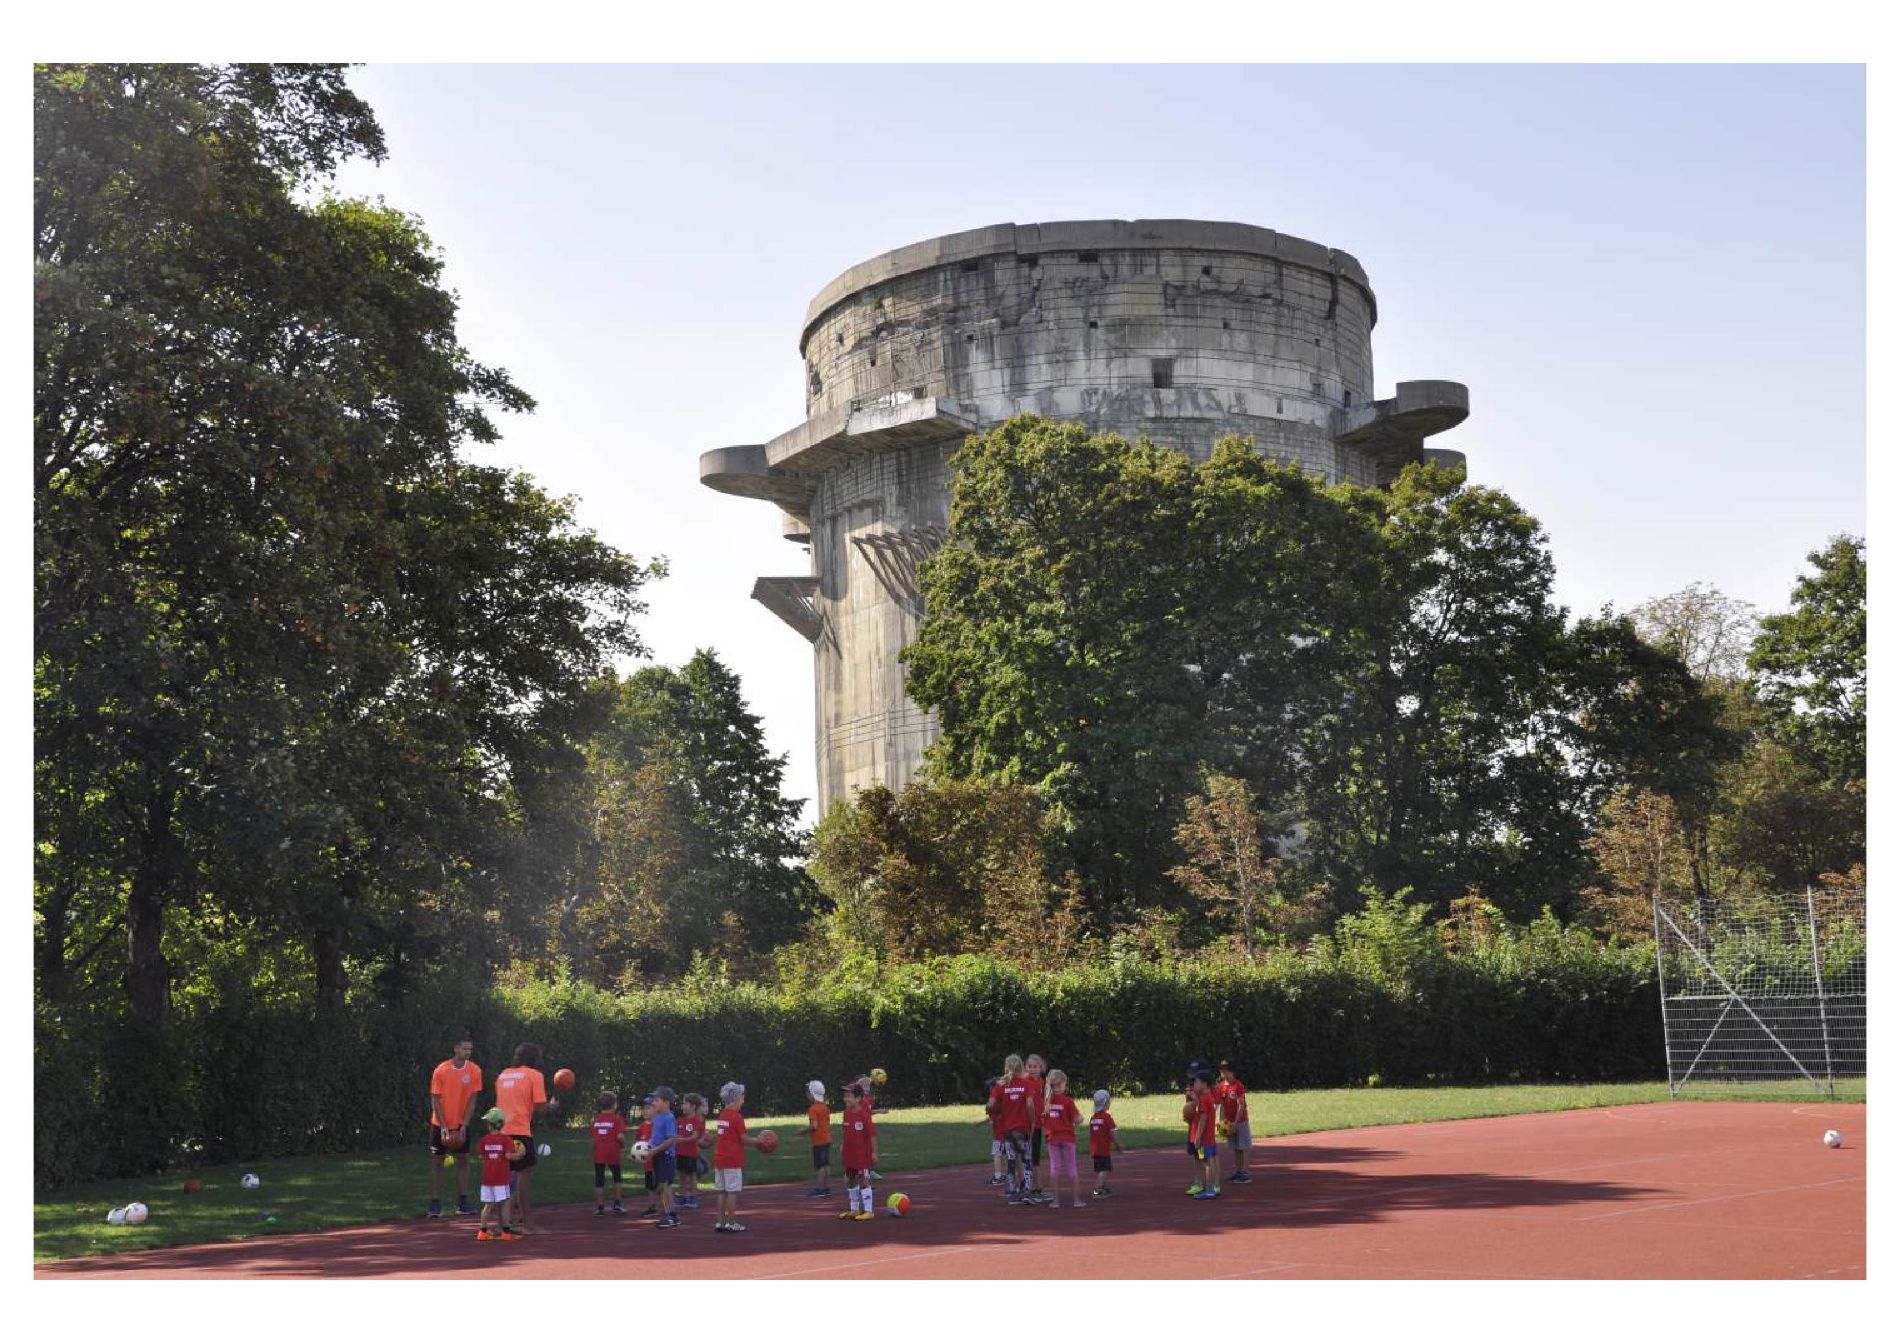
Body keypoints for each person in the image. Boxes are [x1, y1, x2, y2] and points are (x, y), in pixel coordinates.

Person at [494, 1042, 556, 1233]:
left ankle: (501, 1223)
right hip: (520, 1131)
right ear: (535, 1059)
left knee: (504, 1179)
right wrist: (551, 1105)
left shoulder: (503, 1074)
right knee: (524, 1178)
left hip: (500, 1131)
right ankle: (528, 1224)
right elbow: (540, 1106)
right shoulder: (534, 1076)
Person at [427, 1031, 483, 1217]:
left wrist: (464, 1125)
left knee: (464, 1160)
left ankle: (463, 1202)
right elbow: (435, 1100)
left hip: (461, 1124)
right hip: (440, 1123)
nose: (468, 1052)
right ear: (456, 1048)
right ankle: (435, 1204)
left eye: (470, 1049)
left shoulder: (474, 1070)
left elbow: (472, 1100)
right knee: (437, 1162)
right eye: (465, 1048)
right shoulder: (441, 1070)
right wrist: (443, 1126)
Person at [711, 1080, 769, 1233]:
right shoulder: (737, 1117)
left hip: (720, 1159)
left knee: (722, 1192)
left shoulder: (723, 1115)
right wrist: (758, 1141)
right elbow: (744, 1139)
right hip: (732, 1160)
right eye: (742, 1096)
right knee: (732, 1192)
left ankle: (720, 1222)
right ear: (737, 1098)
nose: (744, 1098)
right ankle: (731, 1222)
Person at [987, 1055, 1034, 1205]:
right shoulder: (1026, 1084)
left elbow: (990, 1105)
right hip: (1022, 1128)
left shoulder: (1000, 1086)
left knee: (1011, 1161)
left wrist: (993, 1110)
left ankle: (1013, 1192)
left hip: (1007, 1130)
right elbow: (1030, 1105)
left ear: (1006, 1068)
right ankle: (1027, 1192)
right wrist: (1031, 1122)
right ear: (1021, 1068)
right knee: (1026, 1160)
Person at [472, 1107, 519, 1241]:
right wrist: (520, 1154)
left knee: (488, 1205)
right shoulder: (506, 1140)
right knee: (504, 1203)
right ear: (501, 1124)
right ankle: (506, 1232)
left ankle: (482, 1231)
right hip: (501, 1178)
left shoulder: (484, 1140)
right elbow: (509, 1156)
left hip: (487, 1178)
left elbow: (481, 1156)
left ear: (491, 1125)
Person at [1040, 1068, 1084, 1208]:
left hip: (1052, 1138)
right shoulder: (1068, 1101)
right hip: (1068, 1138)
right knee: (1072, 1168)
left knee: (1055, 1168)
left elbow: (1042, 1121)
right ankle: (1076, 1200)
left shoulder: (1045, 1103)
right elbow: (1077, 1119)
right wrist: (1079, 1119)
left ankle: (1055, 1201)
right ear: (1065, 1083)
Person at [837, 1082, 878, 1220]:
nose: (846, 1099)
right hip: (850, 1154)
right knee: (850, 1179)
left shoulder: (863, 1115)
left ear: (858, 1098)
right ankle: (854, 1208)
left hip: (862, 1155)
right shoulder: (846, 1113)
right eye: (845, 1096)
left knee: (863, 1179)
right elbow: (845, 1131)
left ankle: (868, 1210)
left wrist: (874, 1152)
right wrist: (843, 1145)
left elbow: (872, 1134)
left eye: (849, 1096)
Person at [647, 1086, 682, 1229]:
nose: (653, 1103)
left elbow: (671, 1140)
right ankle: (671, 1214)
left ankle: (669, 1214)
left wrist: (655, 1149)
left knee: (664, 1186)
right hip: (657, 1155)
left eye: (657, 1100)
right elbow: (655, 1137)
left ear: (666, 1102)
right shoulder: (657, 1117)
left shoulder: (669, 1118)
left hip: (666, 1156)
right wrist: (648, 1146)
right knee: (663, 1186)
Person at [1183, 1069, 1220, 1199]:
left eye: (1197, 1082)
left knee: (1207, 1162)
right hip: (1204, 1138)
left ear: (1204, 1084)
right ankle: (1209, 1187)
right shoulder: (1205, 1098)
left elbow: (1203, 1119)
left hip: (1203, 1139)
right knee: (1204, 1160)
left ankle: (1210, 1189)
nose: (1194, 1084)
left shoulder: (1205, 1098)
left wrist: (1198, 1137)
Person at [590, 1090, 628, 1216]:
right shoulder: (617, 1120)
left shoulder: (595, 1120)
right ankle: (617, 1204)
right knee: (617, 1178)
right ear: (614, 1105)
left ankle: (600, 1207)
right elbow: (620, 1136)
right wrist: (623, 1145)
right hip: (612, 1152)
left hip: (599, 1153)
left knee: (599, 1180)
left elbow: (594, 1137)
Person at [1216, 1060, 1254, 1184]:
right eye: (1222, 1072)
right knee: (1236, 1147)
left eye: (1226, 1072)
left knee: (1244, 1146)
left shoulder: (1238, 1085)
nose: (1224, 1074)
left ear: (1231, 1072)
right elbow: (1221, 1105)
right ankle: (1238, 1171)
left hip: (1240, 1121)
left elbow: (1241, 1106)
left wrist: (1236, 1124)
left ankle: (1245, 1173)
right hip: (1229, 1122)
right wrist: (1222, 1122)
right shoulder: (1221, 1086)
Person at [797, 1080, 833, 1198]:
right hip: (827, 1139)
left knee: (820, 1166)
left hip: (819, 1141)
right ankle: (827, 1187)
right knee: (826, 1164)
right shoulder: (825, 1107)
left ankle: (820, 1189)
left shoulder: (813, 1109)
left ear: (812, 1094)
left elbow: (814, 1126)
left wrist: (802, 1131)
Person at [1087, 1089, 1125, 1199]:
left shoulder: (1093, 1118)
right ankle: (1098, 1188)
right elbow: (1112, 1134)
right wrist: (1118, 1145)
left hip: (1095, 1149)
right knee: (1105, 1169)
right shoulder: (1107, 1118)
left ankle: (1103, 1186)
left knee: (1100, 1168)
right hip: (1103, 1149)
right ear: (1105, 1103)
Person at [1023, 1054, 1050, 1204]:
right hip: (1029, 1125)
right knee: (1032, 1158)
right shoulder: (1024, 1081)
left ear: (1041, 1068)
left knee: (1034, 1157)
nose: (1032, 1069)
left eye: (1036, 1066)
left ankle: (1032, 1187)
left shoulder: (1040, 1081)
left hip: (1038, 1124)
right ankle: (1036, 1188)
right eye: (1030, 1066)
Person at [676, 1093, 706, 1210]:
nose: (682, 1106)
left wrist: (680, 1139)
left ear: (693, 1106)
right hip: (680, 1152)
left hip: (690, 1152)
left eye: (685, 1103)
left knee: (692, 1174)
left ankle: (693, 1197)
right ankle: (683, 1196)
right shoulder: (679, 1120)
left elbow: (694, 1136)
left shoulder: (696, 1121)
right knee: (682, 1175)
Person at [975, 1076, 1006, 1186]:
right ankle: (1007, 1174)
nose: (990, 1090)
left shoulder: (994, 1101)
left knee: (996, 1154)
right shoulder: (1004, 1099)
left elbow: (991, 1114)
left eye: (991, 1087)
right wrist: (981, 1123)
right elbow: (992, 1117)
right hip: (1006, 1131)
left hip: (999, 1133)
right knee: (1004, 1154)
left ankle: (998, 1176)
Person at [633, 1096, 659, 1217]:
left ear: (656, 1109)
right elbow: (637, 1142)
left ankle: (666, 1207)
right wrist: (635, 1154)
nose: (645, 1111)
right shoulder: (642, 1126)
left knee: (661, 1185)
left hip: (658, 1161)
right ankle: (652, 1206)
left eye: (648, 1108)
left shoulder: (659, 1125)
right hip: (647, 1163)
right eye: (644, 1108)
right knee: (650, 1185)